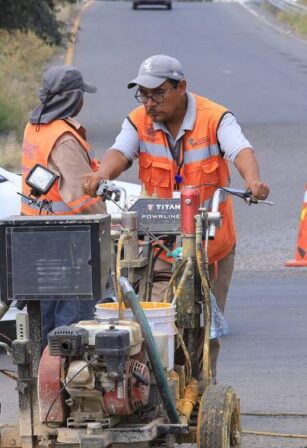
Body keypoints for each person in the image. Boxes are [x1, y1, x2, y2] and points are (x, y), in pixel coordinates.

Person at [82, 54, 269, 374]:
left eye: (157, 93)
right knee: (154, 318)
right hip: (159, 245)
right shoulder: (138, 121)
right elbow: (120, 152)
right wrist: (101, 175)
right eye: (143, 94)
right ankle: (160, 384)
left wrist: (252, 181)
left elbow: (240, 150)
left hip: (210, 245)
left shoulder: (215, 118)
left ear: (181, 87)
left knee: (204, 324)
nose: (150, 102)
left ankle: (200, 387)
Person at [20, 65, 104, 341]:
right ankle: (68, 379)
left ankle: (45, 376)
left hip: (38, 235)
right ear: (72, 98)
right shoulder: (63, 138)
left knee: (48, 314)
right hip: (69, 240)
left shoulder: (35, 127)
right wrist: (106, 227)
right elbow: (81, 195)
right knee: (73, 318)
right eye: (81, 94)